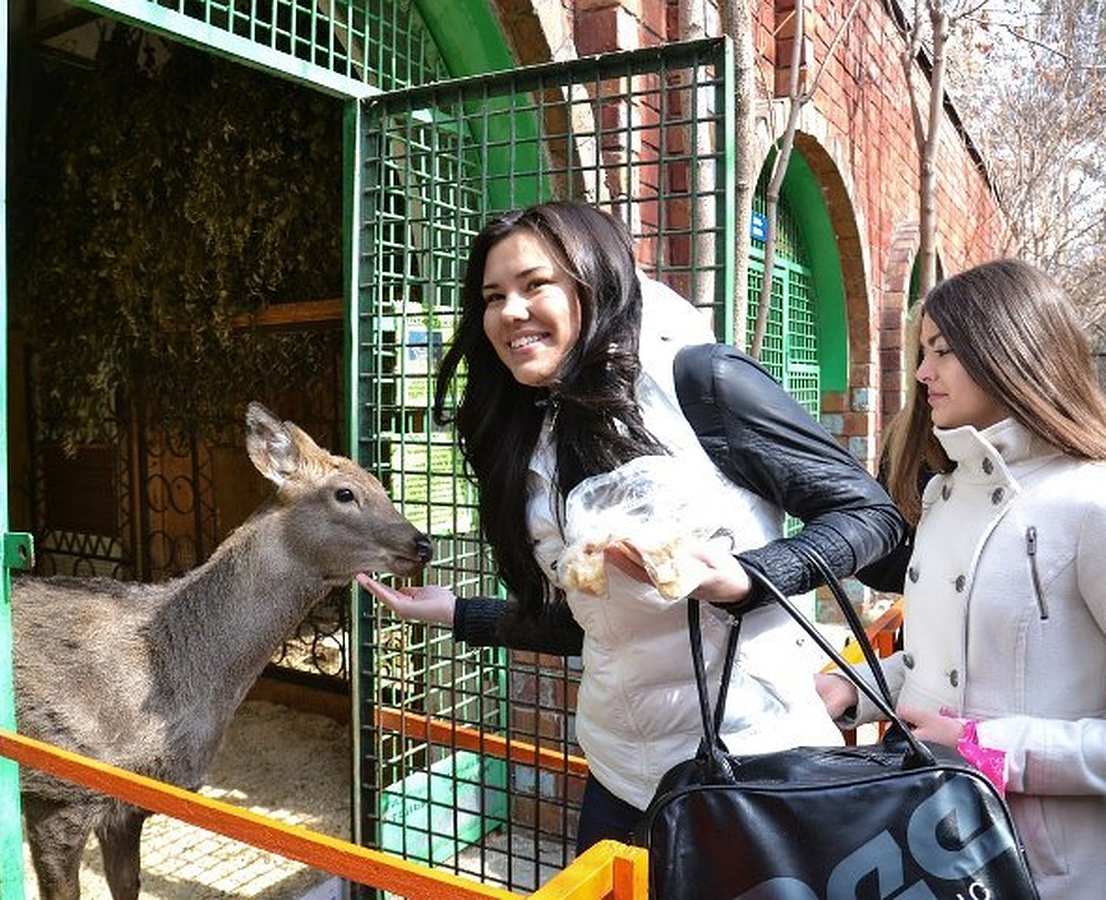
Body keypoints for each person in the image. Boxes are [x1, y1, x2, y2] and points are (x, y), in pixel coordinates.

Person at [358, 200, 906, 853]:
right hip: (620, 779)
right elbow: (601, 628)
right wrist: (457, 613)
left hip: (750, 764)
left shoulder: (701, 379)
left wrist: (747, 580)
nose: (510, 312)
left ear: (596, 279)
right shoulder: (537, 430)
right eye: (493, 296)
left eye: (536, 285)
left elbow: (874, 518)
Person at [815, 258, 1106, 898]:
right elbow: (941, 665)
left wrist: (987, 745)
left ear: (1011, 351)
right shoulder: (946, 495)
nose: (922, 374)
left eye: (942, 352)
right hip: (935, 843)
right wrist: (852, 689)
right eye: (923, 352)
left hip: (1051, 869)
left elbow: (975, 716)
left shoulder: (1091, 505)